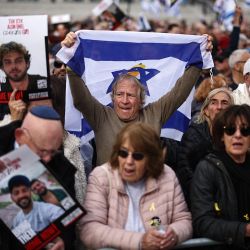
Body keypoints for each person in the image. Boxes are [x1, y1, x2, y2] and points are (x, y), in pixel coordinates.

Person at [61, 31, 213, 165]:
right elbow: (81, 98)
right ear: (113, 98)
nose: (125, 100)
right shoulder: (101, 116)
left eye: (131, 95)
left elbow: (180, 91)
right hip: (109, 193)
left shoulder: (154, 113)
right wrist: (71, 53)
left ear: (141, 100)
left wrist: (200, 54)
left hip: (148, 193)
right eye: (119, 94)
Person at [79, 122, 192, 249]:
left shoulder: (167, 175)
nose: (129, 161)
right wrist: (140, 241)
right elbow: (89, 229)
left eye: (137, 156)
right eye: (123, 153)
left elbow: (184, 221)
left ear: (151, 159)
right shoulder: (101, 177)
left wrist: (173, 234)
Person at [0, 106, 76, 250]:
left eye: (53, 152)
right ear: (20, 136)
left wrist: (62, 241)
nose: (47, 159)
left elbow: (70, 220)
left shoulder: (62, 166)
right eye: (42, 151)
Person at [191, 104, 250, 249]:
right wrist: (244, 230)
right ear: (222, 137)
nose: (238, 135)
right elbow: (202, 222)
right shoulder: (206, 168)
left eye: (245, 130)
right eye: (230, 130)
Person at [177, 87, 234, 206]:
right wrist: (202, 196)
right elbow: (184, 169)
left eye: (224, 103)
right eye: (214, 102)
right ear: (206, 110)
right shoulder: (194, 134)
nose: (219, 107)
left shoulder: (238, 135)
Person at [0, 41, 50, 123]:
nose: (14, 66)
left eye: (18, 61)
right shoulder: (1, 89)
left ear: (27, 63)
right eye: (8, 62)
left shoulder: (43, 82)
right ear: (2, 67)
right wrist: (14, 119)